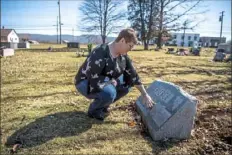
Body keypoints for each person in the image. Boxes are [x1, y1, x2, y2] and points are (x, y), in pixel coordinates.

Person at [74, 28, 154, 121]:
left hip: (104, 82)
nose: (131, 49)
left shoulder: (123, 56)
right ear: (122, 40)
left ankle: (103, 105)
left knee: (126, 85)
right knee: (109, 93)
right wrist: (109, 81)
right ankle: (94, 111)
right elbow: (93, 77)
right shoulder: (100, 52)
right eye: (130, 46)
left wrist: (145, 94)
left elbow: (133, 76)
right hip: (85, 82)